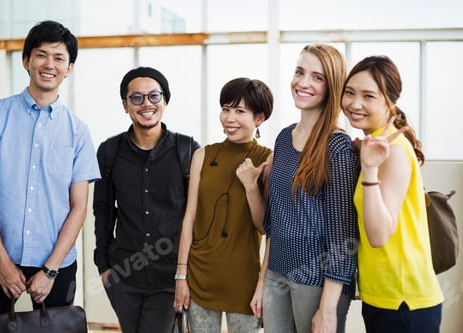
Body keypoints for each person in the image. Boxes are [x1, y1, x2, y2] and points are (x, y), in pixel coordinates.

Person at [0, 20, 100, 317]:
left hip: (56, 261)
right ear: (26, 61)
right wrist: (2, 262)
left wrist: (50, 270)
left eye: (59, 58)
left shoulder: (78, 131)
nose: (49, 64)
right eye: (41, 55)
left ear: (69, 68)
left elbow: (78, 207)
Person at [251, 44, 359, 333]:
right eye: (299, 72)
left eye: (317, 77)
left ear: (332, 85)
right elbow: (274, 223)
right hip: (276, 274)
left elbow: (344, 237)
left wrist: (327, 309)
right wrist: (262, 282)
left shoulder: (337, 147)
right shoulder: (284, 138)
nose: (303, 82)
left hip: (316, 282)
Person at [93, 66, 200, 332]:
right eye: (137, 98)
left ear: (165, 101)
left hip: (170, 277)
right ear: (125, 105)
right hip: (124, 276)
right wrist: (104, 267)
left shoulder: (187, 151)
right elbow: (103, 211)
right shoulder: (109, 151)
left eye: (154, 96)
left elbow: (197, 216)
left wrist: (186, 275)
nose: (146, 104)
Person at [341, 55, 443, 332]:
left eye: (368, 96)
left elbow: (378, 235)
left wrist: (370, 169)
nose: (355, 103)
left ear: (390, 102)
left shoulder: (393, 151)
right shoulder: (378, 141)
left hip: (404, 301)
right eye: (349, 92)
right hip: (384, 296)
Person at [173, 77, 274, 332]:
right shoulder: (203, 155)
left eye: (240, 111)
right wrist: (181, 276)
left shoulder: (267, 160)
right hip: (199, 276)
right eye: (226, 109)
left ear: (259, 119)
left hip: (244, 281)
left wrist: (251, 186)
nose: (229, 118)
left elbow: (264, 227)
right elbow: (190, 218)